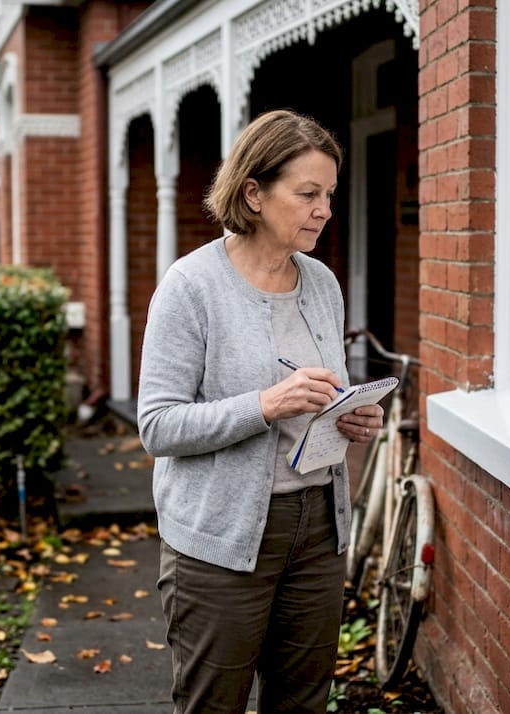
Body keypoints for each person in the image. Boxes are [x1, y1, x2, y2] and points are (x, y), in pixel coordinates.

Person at [137, 109, 385, 713]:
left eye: (329, 194)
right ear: (254, 193)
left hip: (319, 529)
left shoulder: (321, 283)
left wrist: (351, 417)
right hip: (221, 539)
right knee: (214, 703)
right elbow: (158, 426)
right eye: (307, 194)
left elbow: (318, 395)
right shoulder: (191, 286)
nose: (324, 209)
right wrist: (266, 405)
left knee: (303, 703)